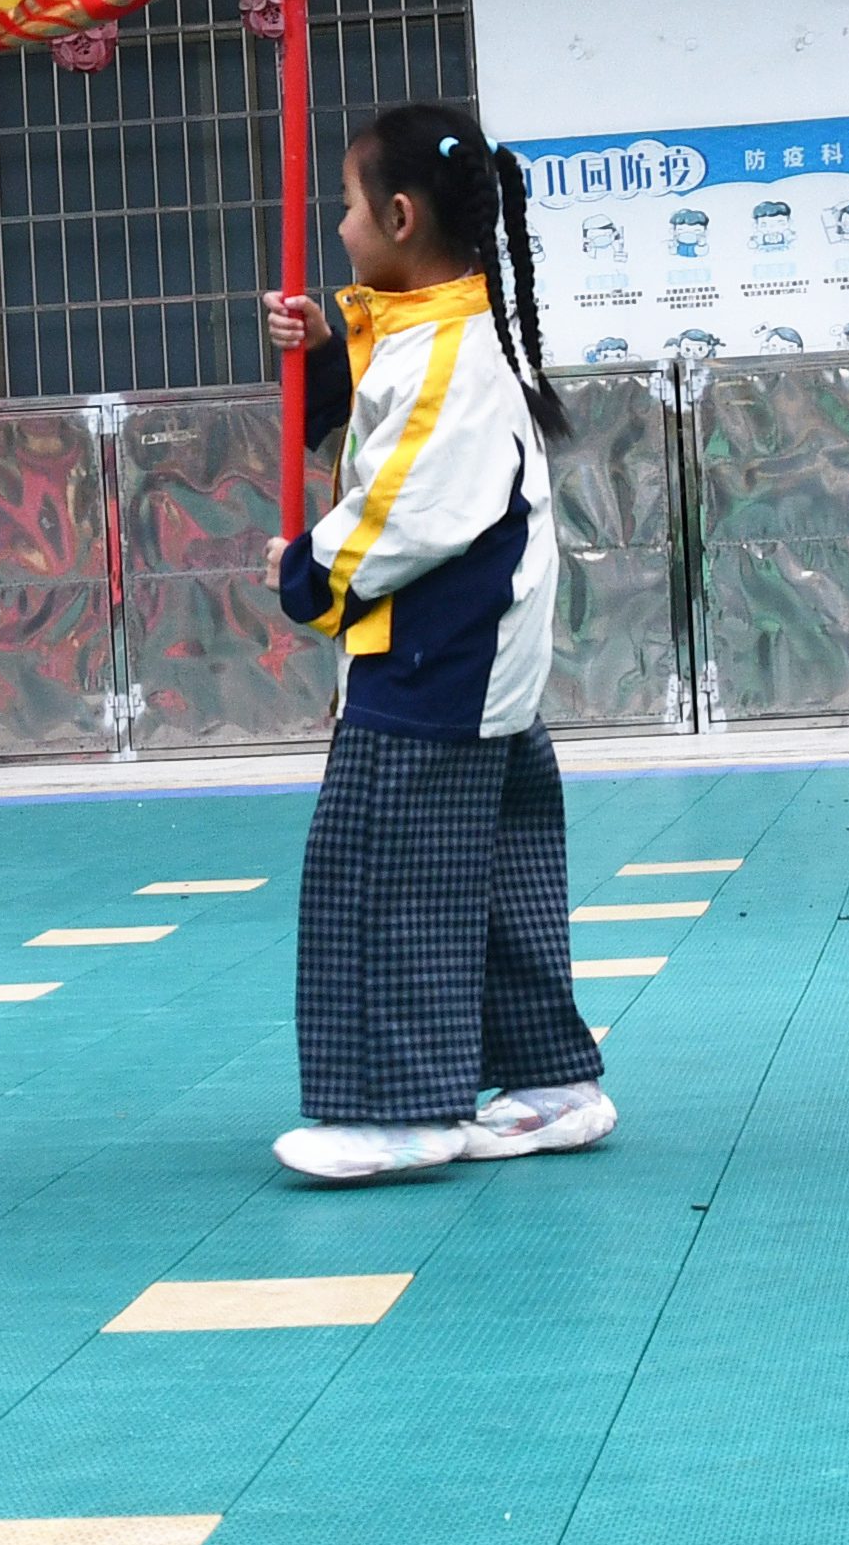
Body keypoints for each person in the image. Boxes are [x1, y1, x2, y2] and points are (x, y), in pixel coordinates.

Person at [253, 101, 607, 1185]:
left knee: (380, 876)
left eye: (351, 208)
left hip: (434, 668)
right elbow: (368, 431)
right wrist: (319, 353)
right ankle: (552, 1078)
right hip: (472, 663)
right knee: (494, 879)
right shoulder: (439, 330)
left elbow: (404, 508)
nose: (342, 229)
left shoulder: (449, 352)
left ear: (402, 215)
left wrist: (308, 577)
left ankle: (397, 1110)